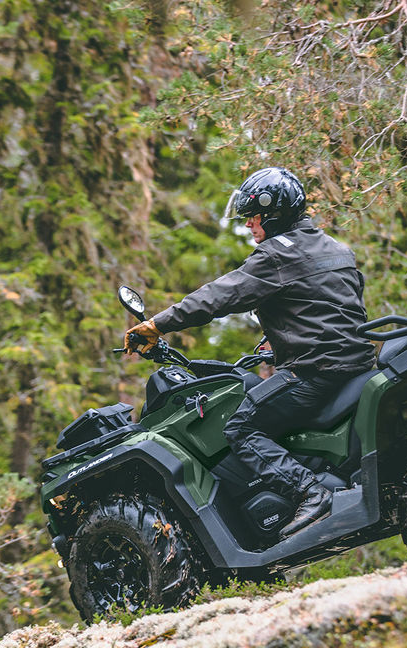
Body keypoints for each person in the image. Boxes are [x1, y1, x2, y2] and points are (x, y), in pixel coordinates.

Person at [123, 167, 375, 538]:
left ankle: (310, 492)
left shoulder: (277, 255)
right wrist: (280, 345)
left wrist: (158, 324)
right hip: (356, 365)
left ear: (274, 215)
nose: (249, 224)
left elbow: (221, 295)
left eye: (254, 217)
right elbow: (333, 308)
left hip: (315, 372)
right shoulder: (336, 248)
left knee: (240, 426)